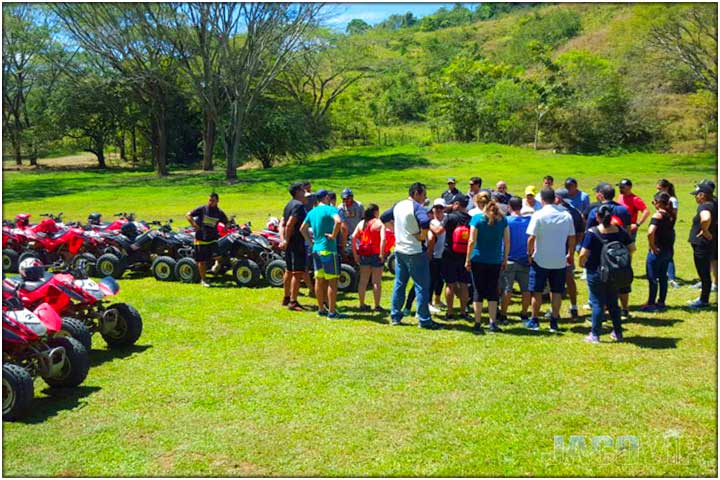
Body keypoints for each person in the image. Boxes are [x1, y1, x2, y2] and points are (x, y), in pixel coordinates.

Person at [380, 182, 442, 329]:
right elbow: (425, 221)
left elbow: (383, 217)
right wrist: (422, 236)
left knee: (399, 284)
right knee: (422, 286)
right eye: (423, 195)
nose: (424, 199)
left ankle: (395, 315)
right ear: (416, 194)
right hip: (415, 251)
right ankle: (424, 319)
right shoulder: (417, 207)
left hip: (400, 250)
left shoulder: (398, 205)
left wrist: (395, 230)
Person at [578, 205, 636, 343]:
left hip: (596, 271)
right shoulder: (620, 231)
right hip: (615, 272)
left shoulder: (592, 233)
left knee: (597, 303)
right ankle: (618, 332)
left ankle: (595, 334)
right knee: (613, 303)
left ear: (597, 217)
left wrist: (581, 264)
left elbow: (583, 253)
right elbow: (632, 248)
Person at [526, 188, 576, 332]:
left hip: (540, 258)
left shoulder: (538, 215)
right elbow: (572, 237)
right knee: (557, 291)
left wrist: (529, 254)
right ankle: (554, 320)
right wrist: (570, 254)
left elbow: (531, 238)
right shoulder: (566, 215)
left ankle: (534, 320)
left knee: (537, 291)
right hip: (559, 259)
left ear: (542, 200)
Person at [586, 182, 633, 319]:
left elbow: (588, 231)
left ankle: (602, 310)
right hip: (620, 250)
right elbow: (628, 231)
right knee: (622, 278)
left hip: (601, 255)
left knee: (602, 282)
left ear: (600, 195)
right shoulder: (623, 210)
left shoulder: (596, 211)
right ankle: (624, 309)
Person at [465, 195, 509, 334]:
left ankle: (477, 323)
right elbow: (507, 242)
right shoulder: (502, 220)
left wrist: (467, 259)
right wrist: (505, 259)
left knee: (478, 290)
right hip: (495, 259)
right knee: (492, 290)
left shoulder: (477, 219)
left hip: (478, 258)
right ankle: (492, 322)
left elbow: (471, 241)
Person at [300, 189, 346, 319]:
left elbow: (302, 229)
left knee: (319, 280)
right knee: (332, 281)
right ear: (326, 197)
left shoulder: (312, 212)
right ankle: (332, 312)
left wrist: (310, 243)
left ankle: (321, 309)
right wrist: (333, 235)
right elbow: (338, 221)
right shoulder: (330, 209)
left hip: (316, 250)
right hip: (328, 250)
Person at [640, 192, 675, 312]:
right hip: (668, 250)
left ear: (659, 202)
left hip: (657, 251)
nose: (653, 203)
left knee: (652, 277)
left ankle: (651, 303)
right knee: (663, 277)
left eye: (654, 201)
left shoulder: (657, 216)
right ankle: (661, 301)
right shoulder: (671, 215)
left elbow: (650, 232)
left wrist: (652, 245)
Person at [439, 193, 472, 320]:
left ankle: (450, 312)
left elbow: (439, 231)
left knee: (450, 284)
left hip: (449, 254)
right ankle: (464, 312)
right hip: (464, 255)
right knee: (464, 284)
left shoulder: (450, 218)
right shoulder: (470, 218)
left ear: (457, 204)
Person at [499, 196, 532, 324]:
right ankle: (524, 313)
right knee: (526, 290)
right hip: (524, 259)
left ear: (509, 207)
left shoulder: (505, 221)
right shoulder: (528, 221)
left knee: (507, 289)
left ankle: (503, 314)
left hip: (509, 259)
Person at [186, 192, 228, 288]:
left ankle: (217, 265)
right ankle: (204, 280)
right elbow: (188, 214)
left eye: (212, 201)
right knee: (201, 261)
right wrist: (193, 224)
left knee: (218, 257)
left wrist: (226, 227)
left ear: (217, 201)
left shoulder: (219, 212)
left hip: (213, 238)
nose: (210, 202)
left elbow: (226, 222)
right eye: (209, 200)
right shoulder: (202, 209)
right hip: (201, 238)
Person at [554, 188, 585, 319]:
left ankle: (554, 310)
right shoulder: (576, 212)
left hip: (556, 250)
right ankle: (573, 307)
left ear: (558, 199)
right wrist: (572, 248)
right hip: (568, 251)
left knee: (555, 282)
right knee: (569, 279)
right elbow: (580, 233)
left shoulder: (558, 212)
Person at [687, 181, 717, 309]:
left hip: (702, 244)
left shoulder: (704, 207)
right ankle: (704, 298)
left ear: (702, 195)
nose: (695, 197)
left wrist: (705, 230)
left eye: (697, 195)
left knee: (704, 273)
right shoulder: (715, 203)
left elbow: (705, 218)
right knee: (705, 272)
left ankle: (703, 300)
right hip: (709, 243)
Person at [280, 182, 308, 311]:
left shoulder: (288, 204)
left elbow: (282, 223)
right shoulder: (298, 205)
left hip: (290, 242)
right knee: (297, 273)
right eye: (303, 190)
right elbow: (290, 223)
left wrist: (284, 239)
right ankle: (293, 301)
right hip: (296, 242)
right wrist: (286, 239)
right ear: (297, 191)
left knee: (289, 270)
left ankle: (286, 298)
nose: (305, 192)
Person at [352, 204, 386, 312]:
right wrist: (381, 253)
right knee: (376, 281)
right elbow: (383, 239)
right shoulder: (379, 223)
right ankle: (377, 305)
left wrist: (355, 254)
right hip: (375, 253)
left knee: (363, 281)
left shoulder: (362, 223)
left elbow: (353, 237)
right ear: (376, 212)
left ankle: (362, 304)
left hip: (364, 253)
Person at [656, 179, 680, 288]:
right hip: (661, 228)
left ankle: (671, 278)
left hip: (667, 229)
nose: (658, 191)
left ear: (666, 188)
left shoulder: (672, 200)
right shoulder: (661, 198)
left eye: (660, 189)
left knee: (668, 254)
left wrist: (668, 226)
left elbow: (674, 215)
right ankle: (661, 274)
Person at [427, 198, 447, 313]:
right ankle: (428, 302)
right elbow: (439, 231)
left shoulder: (447, 219)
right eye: (436, 207)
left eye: (441, 207)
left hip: (444, 254)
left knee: (441, 279)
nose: (438, 210)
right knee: (432, 279)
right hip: (433, 254)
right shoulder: (431, 221)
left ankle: (437, 300)